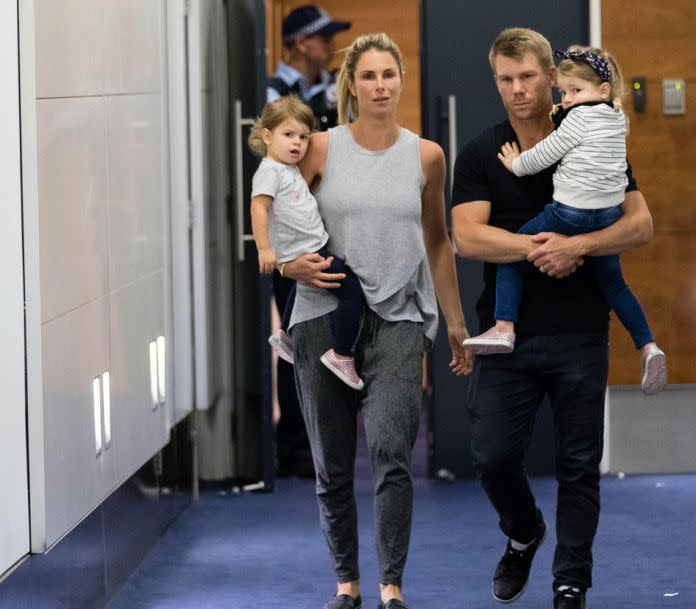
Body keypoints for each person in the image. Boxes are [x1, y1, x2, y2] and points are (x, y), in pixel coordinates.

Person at [451, 28, 654, 609]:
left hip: (580, 332)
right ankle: (523, 532)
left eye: (528, 77)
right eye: (505, 80)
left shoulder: (593, 134)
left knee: (578, 468)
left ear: (551, 77)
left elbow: (639, 225)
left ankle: (572, 582)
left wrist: (579, 249)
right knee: (491, 457)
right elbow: (467, 237)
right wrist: (544, 249)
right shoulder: (481, 151)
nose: (518, 90)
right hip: (506, 338)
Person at [282, 33, 473, 609]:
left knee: (392, 451)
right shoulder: (317, 148)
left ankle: (391, 586)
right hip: (322, 317)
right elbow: (278, 222)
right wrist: (292, 267)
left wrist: (457, 324)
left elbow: (438, 243)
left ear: (401, 80)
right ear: (352, 85)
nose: (381, 85)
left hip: (399, 319)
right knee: (332, 463)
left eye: (389, 74)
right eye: (369, 76)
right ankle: (347, 584)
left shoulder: (426, 156)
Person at [463, 45, 667, 395]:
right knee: (615, 285)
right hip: (607, 216)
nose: (569, 99)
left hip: (568, 214)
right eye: (566, 93)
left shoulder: (576, 120)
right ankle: (648, 346)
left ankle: (503, 327)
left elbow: (542, 156)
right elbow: (466, 239)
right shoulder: (617, 118)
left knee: (512, 261)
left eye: (576, 91)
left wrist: (515, 163)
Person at [266, 3, 351, 475]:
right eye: (322, 38)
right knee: (300, 337)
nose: (328, 46)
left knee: (340, 332)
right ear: (300, 43)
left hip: (336, 228)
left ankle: (328, 438)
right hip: (293, 236)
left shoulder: (333, 90)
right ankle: (295, 446)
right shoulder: (274, 94)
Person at [248, 96, 367, 389]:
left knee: (301, 288)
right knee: (354, 294)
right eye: (288, 135)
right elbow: (258, 208)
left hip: (311, 245)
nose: (297, 143)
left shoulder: (288, 169)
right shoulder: (269, 172)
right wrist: (265, 249)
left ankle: (286, 335)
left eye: (303, 136)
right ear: (267, 136)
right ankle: (342, 353)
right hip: (306, 251)